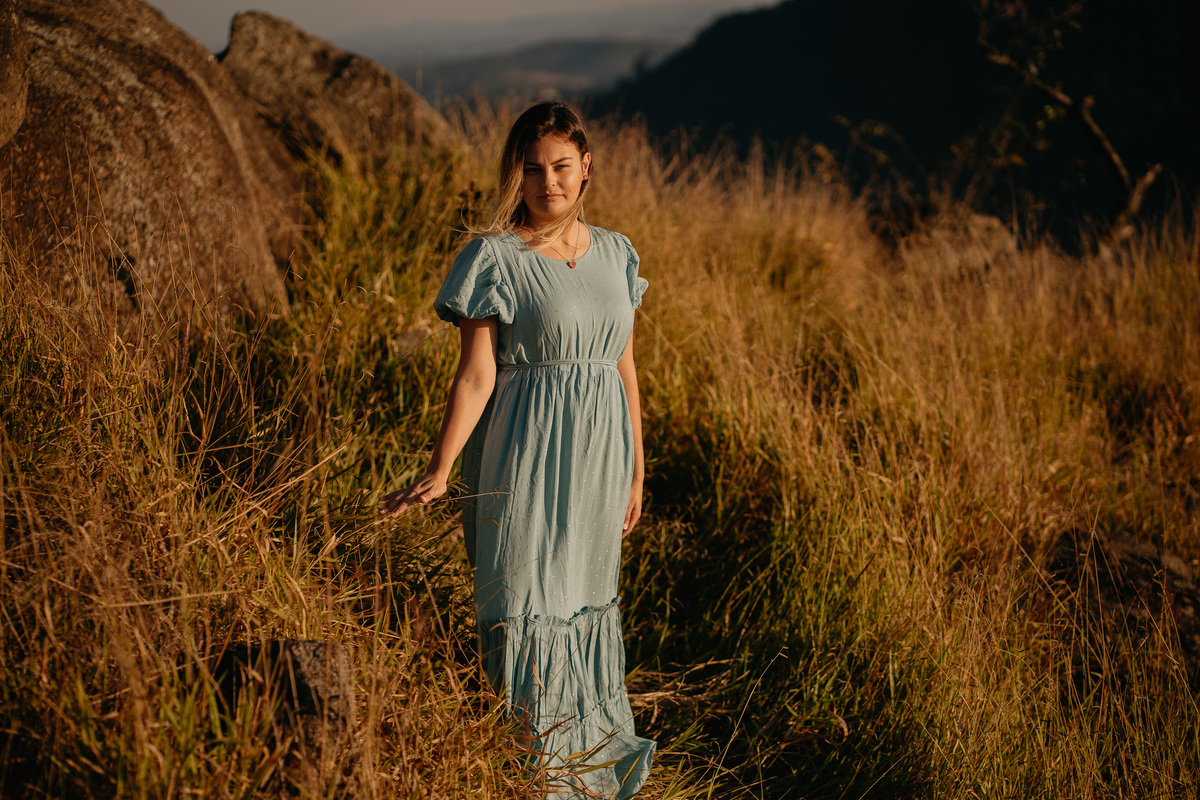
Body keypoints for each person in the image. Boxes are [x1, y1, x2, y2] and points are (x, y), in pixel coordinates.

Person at [379, 101, 655, 798]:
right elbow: (476, 375)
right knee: (525, 598)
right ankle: (530, 768)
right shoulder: (493, 258)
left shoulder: (618, 253)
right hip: (524, 451)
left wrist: (637, 469)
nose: (548, 182)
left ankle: (586, 762)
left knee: (584, 597)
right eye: (532, 169)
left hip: (600, 454)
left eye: (562, 167)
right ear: (516, 174)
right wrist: (440, 468)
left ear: (586, 168)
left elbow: (623, 365)